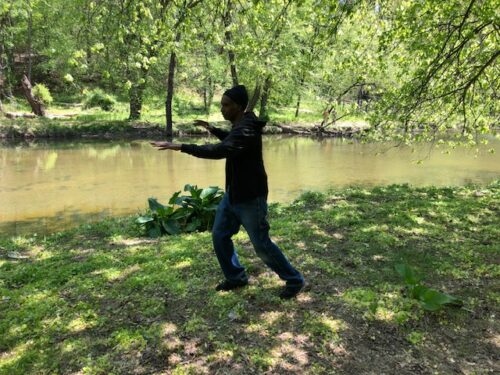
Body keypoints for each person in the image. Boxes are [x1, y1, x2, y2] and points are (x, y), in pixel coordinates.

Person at [151, 85, 305, 299]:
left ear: (239, 107)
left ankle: (295, 280)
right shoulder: (241, 124)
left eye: (226, 105)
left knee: (261, 245)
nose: (222, 109)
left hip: (251, 197)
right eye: (221, 104)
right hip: (233, 194)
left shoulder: (247, 129)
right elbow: (231, 139)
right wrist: (213, 129)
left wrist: (182, 146)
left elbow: (223, 149)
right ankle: (236, 277)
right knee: (220, 236)